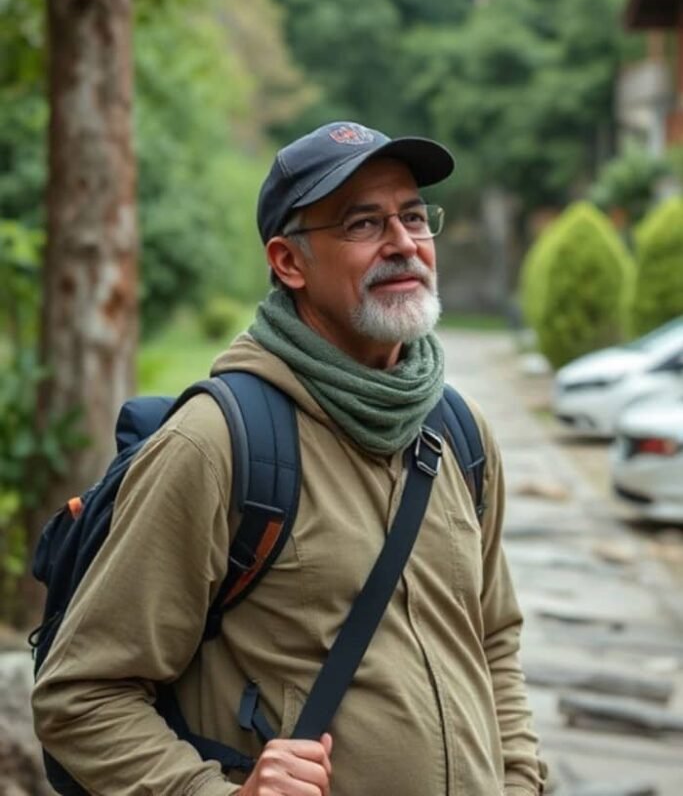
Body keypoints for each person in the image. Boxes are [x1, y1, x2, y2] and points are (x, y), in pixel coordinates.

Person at [33, 121, 546, 796]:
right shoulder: (217, 443)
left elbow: (493, 644)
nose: (402, 244)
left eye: (414, 217)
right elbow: (81, 696)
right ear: (288, 262)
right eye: (363, 224)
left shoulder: (458, 431)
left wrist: (519, 780)